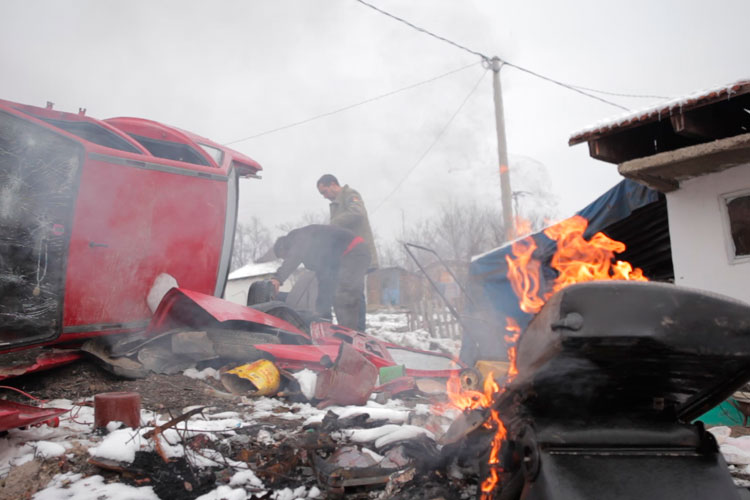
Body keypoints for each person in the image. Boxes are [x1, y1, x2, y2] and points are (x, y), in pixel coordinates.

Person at [269, 224, 370, 330]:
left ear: (284, 248)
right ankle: (335, 329)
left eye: (284, 256)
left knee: (347, 294)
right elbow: (324, 281)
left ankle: (354, 334)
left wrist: (277, 278)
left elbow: (293, 257)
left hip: (354, 251)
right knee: (335, 295)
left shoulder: (299, 237)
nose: (285, 259)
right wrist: (322, 313)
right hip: (343, 258)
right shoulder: (317, 253)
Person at [316, 174, 377, 330]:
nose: (324, 197)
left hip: (358, 254)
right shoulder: (336, 204)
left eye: (324, 192)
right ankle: (348, 328)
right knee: (345, 290)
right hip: (347, 256)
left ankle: (359, 331)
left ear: (333, 184)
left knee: (355, 292)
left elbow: (357, 213)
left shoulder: (350, 195)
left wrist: (333, 224)